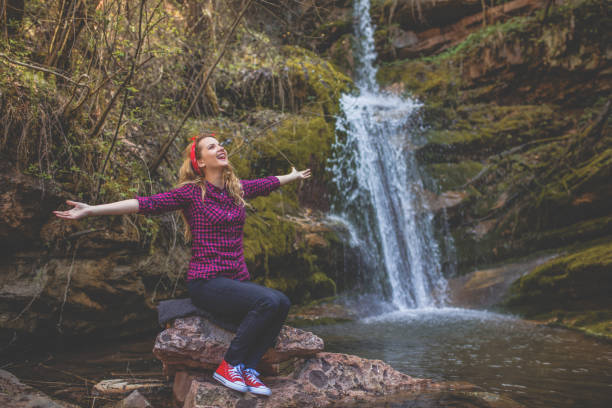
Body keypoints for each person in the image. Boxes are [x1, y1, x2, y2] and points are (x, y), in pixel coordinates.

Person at [53, 134, 311, 396]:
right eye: (212, 146)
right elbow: (145, 204)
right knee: (267, 301)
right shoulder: (192, 192)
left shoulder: (236, 190)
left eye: (220, 144)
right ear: (200, 161)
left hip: (236, 280)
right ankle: (229, 367)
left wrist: (294, 176)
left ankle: (248, 369)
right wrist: (91, 209)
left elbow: (267, 183)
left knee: (282, 302)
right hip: (207, 281)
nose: (220, 147)